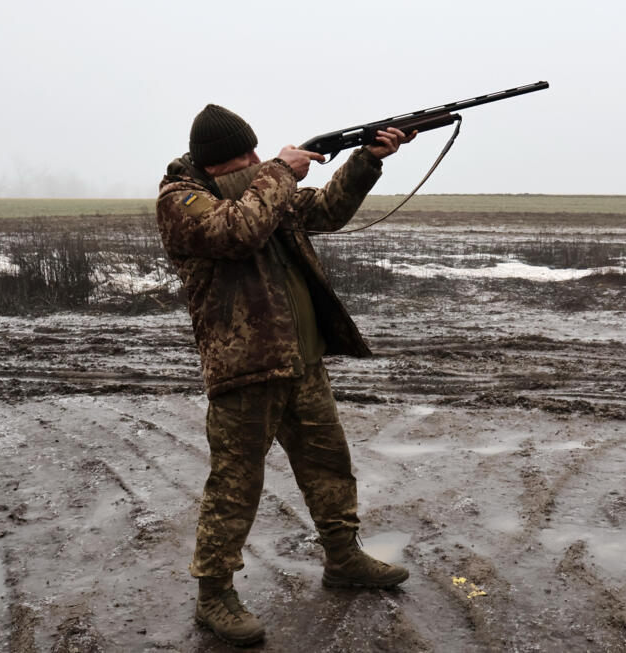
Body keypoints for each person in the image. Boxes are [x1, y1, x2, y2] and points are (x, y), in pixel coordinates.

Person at [155, 104, 415, 646]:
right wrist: (278, 169)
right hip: (246, 368)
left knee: (328, 461)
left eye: (258, 152)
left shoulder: (261, 191)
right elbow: (238, 232)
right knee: (235, 484)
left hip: (302, 359)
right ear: (218, 164)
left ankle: (343, 557)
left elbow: (326, 210)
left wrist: (367, 159)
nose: (256, 160)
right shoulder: (182, 201)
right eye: (245, 156)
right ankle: (214, 595)